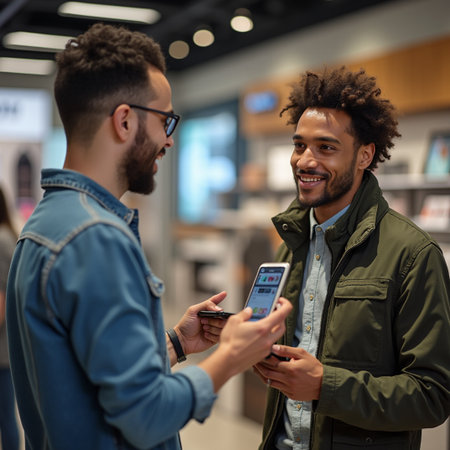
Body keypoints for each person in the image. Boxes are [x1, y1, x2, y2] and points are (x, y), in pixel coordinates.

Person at [6, 23, 292, 450]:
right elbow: (146, 416)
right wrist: (231, 356)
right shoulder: (97, 238)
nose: (169, 141)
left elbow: (86, 380)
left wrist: (175, 343)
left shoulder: (44, 225)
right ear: (124, 121)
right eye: (166, 121)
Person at [254, 66, 450, 449]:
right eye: (299, 145)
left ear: (365, 156)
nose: (305, 161)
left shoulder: (413, 255)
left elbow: (433, 395)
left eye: (326, 148)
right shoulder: (290, 246)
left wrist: (326, 387)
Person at [0, 187, 20, 450]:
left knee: (6, 419)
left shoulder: (1, 240)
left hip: (2, 352)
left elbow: (1, 300)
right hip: (7, 350)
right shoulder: (8, 236)